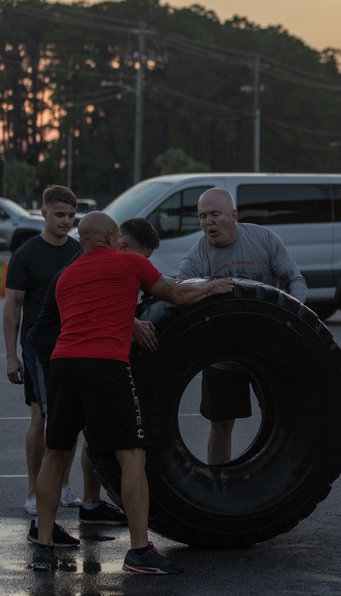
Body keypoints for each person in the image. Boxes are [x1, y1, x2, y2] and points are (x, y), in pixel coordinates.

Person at [31, 212, 234, 574]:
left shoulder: (67, 275)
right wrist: (212, 287)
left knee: (55, 454)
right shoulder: (130, 262)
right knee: (131, 456)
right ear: (112, 236)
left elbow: (89, 313)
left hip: (63, 363)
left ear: (83, 240)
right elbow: (175, 293)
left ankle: (44, 549)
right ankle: (139, 553)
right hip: (105, 365)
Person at [23, 217, 160, 539]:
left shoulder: (91, 260)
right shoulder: (91, 265)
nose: (143, 265)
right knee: (58, 440)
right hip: (47, 348)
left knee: (85, 434)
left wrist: (127, 319)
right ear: (119, 242)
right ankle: (40, 524)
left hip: (75, 353)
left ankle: (90, 503)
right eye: (143, 257)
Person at [178, 187, 307, 464]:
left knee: (283, 421)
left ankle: (281, 483)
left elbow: (295, 280)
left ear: (233, 214)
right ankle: (219, 486)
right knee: (221, 425)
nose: (208, 222)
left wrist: (294, 320)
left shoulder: (263, 239)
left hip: (269, 351)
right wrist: (207, 288)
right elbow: (180, 295)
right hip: (223, 356)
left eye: (215, 214)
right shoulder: (197, 257)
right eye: (202, 216)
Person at [2, 186, 84, 544]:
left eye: (71, 216)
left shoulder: (79, 251)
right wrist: (11, 355)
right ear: (43, 213)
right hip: (38, 348)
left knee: (71, 417)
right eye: (59, 215)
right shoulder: (26, 254)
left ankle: (63, 485)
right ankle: (34, 492)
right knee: (41, 419)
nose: (66, 221)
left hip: (73, 344)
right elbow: (12, 306)